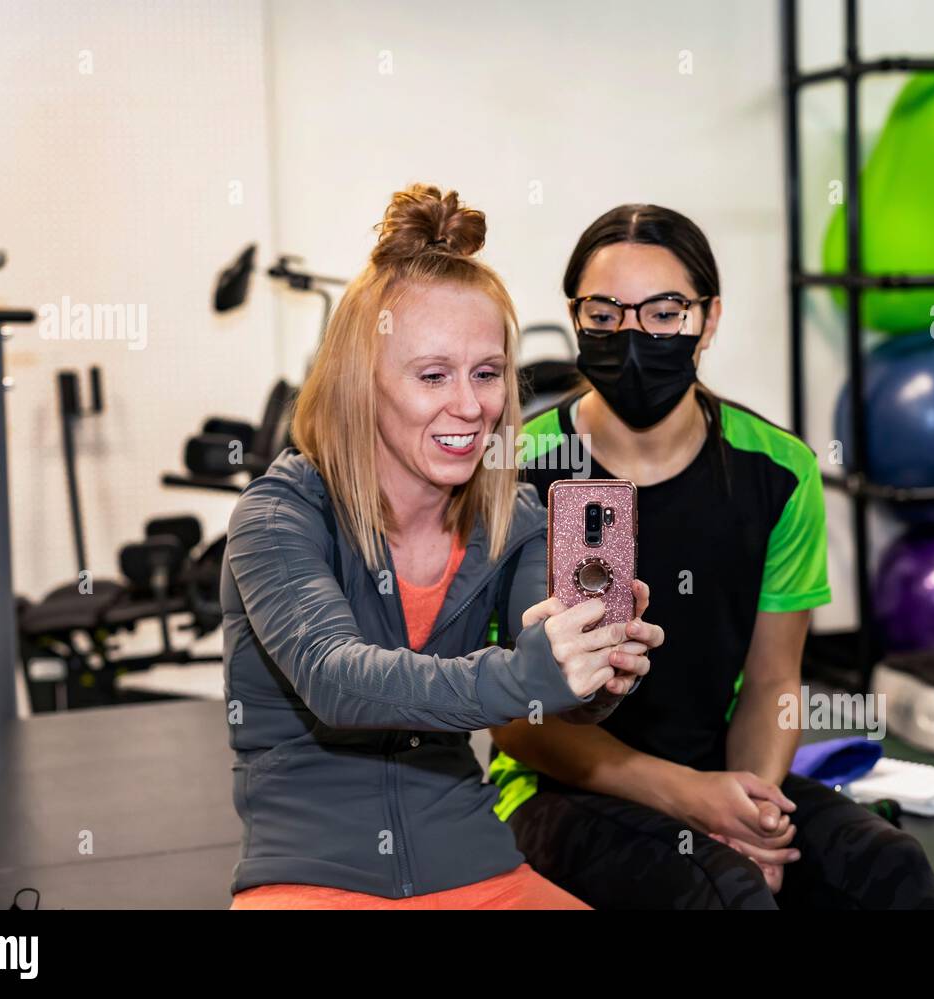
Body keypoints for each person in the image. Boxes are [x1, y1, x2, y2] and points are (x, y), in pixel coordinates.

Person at [489, 203, 934, 909]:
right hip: (556, 788)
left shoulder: (779, 471)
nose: (635, 335)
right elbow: (513, 714)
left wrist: (752, 814)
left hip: (717, 766)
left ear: (708, 320)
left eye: (665, 312)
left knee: (892, 869)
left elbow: (774, 680)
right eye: (606, 314)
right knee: (720, 892)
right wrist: (693, 803)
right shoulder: (519, 472)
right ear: (576, 317)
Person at [222, 185, 662, 909]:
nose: (470, 405)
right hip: (310, 876)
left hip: (477, 865)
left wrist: (600, 671)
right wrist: (531, 672)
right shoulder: (279, 514)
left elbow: (543, 681)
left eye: (486, 373)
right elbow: (338, 680)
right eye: (433, 375)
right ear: (362, 384)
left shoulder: (511, 517)